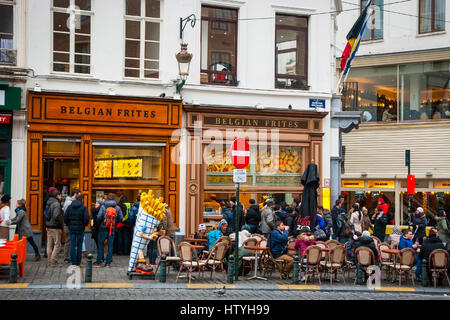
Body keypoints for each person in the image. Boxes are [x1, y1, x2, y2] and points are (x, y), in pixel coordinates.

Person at [94, 193, 123, 267]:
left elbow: (99, 217)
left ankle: (99, 261)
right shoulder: (117, 207)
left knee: (100, 245)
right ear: (114, 199)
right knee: (110, 246)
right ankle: (108, 263)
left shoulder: (103, 206)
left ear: (107, 199)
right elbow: (121, 218)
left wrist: (102, 222)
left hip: (102, 229)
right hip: (112, 229)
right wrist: (115, 222)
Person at [64, 194, 89, 266]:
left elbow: (65, 218)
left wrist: (69, 224)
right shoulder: (84, 208)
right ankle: (78, 262)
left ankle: (73, 262)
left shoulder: (69, 207)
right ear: (82, 200)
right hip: (80, 229)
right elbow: (86, 219)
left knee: (72, 244)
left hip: (71, 228)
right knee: (79, 245)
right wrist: (84, 224)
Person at [45, 187, 64, 267]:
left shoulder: (48, 202)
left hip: (48, 225)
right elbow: (56, 215)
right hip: (55, 226)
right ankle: (53, 261)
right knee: (57, 245)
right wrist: (61, 222)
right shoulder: (56, 203)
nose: (61, 197)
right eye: (60, 196)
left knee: (49, 244)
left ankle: (49, 261)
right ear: (57, 196)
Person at [62, 189, 81, 264]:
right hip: (69, 224)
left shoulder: (69, 201)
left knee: (70, 241)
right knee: (68, 241)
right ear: (75, 194)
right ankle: (67, 257)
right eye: (79, 194)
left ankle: (69, 257)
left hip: (70, 224)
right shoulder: (69, 202)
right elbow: (67, 215)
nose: (79, 195)